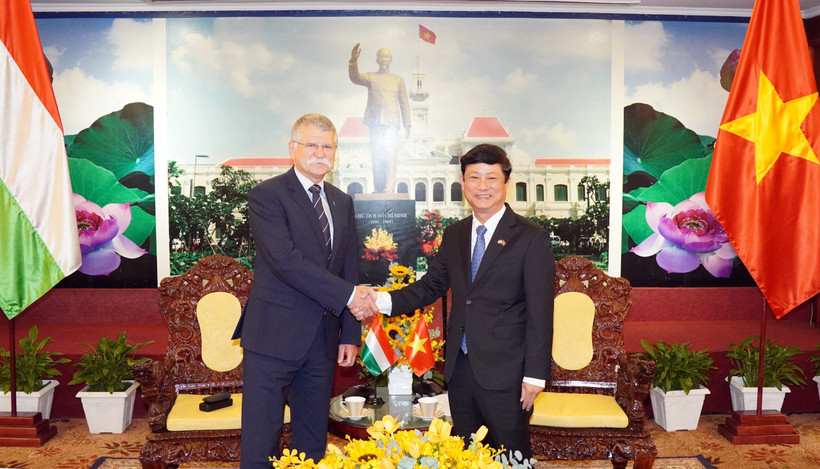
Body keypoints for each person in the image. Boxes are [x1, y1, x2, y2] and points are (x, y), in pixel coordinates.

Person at [375, 144, 555, 458]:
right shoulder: (455, 234)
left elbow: (541, 312)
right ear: (463, 182)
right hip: (460, 369)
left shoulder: (531, 238)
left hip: (507, 372)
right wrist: (379, 302)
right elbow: (430, 287)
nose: (482, 186)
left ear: (505, 182)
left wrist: (534, 375)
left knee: (511, 456)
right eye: (474, 178)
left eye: (491, 178)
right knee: (468, 455)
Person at [233, 113, 378, 467]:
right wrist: (350, 297)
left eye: (328, 146)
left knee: (312, 435)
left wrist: (351, 333)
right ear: (292, 149)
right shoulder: (267, 195)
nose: (320, 152)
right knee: (261, 437)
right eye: (311, 144)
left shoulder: (342, 201)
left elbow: (348, 267)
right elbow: (286, 261)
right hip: (273, 336)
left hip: (323, 338)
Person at [349, 43, 411, 193]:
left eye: (386, 57)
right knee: (377, 156)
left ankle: (389, 189)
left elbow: (404, 103)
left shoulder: (398, 79)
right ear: (377, 60)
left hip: (392, 122)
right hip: (375, 121)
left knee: (390, 156)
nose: (384, 59)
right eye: (381, 57)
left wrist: (407, 125)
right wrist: (353, 61)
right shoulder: (371, 76)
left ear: (391, 60)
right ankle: (378, 188)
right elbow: (355, 78)